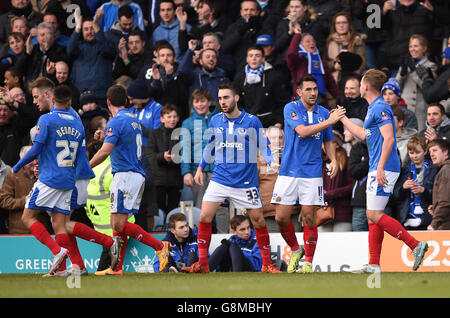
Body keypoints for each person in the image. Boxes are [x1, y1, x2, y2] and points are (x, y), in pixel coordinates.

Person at [181, 82, 282, 274]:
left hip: (245, 182)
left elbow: (264, 145)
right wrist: (201, 167)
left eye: (226, 97)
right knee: (204, 216)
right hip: (220, 178)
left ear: (236, 98)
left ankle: (267, 264)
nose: (222, 102)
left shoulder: (252, 121)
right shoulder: (215, 120)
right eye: (219, 98)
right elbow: (210, 146)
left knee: (258, 221)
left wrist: (271, 161)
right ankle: (203, 264)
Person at [339, 69, 429, 273]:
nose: (359, 87)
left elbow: (389, 138)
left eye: (360, 83)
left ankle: (415, 245)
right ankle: (374, 264)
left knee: (373, 213)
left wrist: (379, 167)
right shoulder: (373, 108)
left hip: (384, 166)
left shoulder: (381, 107)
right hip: (379, 166)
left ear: (366, 86)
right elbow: (364, 135)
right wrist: (343, 119)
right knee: (373, 216)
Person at [88, 84, 171, 272]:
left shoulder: (115, 122)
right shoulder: (133, 120)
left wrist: (85, 167)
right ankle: (116, 268)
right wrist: (104, 138)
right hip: (134, 174)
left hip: (125, 175)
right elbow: (123, 145)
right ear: (126, 101)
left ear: (108, 102)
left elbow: (105, 152)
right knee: (119, 224)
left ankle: (160, 246)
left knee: (118, 223)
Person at [11, 84, 88, 276]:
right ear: (70, 102)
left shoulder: (46, 119)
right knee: (58, 223)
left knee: (27, 217)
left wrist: (18, 166)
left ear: (53, 99)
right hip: (68, 180)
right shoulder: (78, 123)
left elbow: (36, 149)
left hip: (50, 178)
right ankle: (62, 269)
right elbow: (81, 155)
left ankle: (57, 251)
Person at [272, 74, 345, 274]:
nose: (313, 93)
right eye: (309, 90)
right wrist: (330, 120)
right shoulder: (291, 108)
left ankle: (309, 263)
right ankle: (296, 249)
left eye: (315, 89)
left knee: (309, 218)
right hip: (289, 171)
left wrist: (333, 159)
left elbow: (328, 140)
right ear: (299, 92)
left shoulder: (323, 112)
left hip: (312, 172)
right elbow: (303, 131)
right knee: (281, 217)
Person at [67, 8, 116, 104]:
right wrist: (77, 27)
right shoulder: (78, 47)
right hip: (81, 95)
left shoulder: (104, 43)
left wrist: (96, 25)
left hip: (102, 95)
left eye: (92, 28)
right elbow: (70, 50)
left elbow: (110, 51)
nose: (89, 31)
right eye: (86, 29)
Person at [257, 125, 300, 232]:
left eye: (280, 137)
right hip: (268, 215)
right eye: (273, 138)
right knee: (271, 247)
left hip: (291, 213)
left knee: (293, 247)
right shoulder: (258, 161)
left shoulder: (294, 159)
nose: (277, 141)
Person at [0, 146, 51, 234]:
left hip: (41, 230)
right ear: (22, 160)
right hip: (17, 231)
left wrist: (39, 202)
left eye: (37, 158)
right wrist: (25, 200)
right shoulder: (12, 176)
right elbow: (4, 201)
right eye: (31, 159)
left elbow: (52, 201)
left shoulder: (46, 176)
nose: (35, 162)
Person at [233, 45, 286, 128]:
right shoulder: (240, 77)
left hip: (270, 124)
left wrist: (278, 123)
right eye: (251, 56)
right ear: (247, 59)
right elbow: (237, 104)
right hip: (246, 124)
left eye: (257, 56)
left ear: (263, 59)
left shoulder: (273, 76)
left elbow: (281, 103)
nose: (254, 58)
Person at [395, 34, 438, 132]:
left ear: (424, 48)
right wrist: (402, 73)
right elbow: (396, 86)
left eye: (416, 46)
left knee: (420, 138)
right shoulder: (406, 63)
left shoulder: (431, 66)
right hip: (405, 108)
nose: (412, 49)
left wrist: (413, 71)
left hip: (421, 110)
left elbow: (427, 87)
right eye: (410, 46)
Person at [286, 31, 339, 108]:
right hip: (301, 104)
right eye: (307, 41)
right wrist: (297, 35)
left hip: (321, 103)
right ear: (300, 45)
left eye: (313, 41)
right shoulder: (298, 60)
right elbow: (290, 54)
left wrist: (340, 98)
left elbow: (331, 84)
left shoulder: (321, 62)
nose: (312, 43)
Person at [147, 104, 182, 215]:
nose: (172, 119)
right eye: (169, 116)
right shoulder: (154, 134)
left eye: (174, 116)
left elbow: (185, 152)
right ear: (162, 119)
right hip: (159, 179)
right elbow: (150, 154)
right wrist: (162, 157)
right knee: (159, 208)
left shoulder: (182, 133)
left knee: (173, 210)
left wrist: (178, 158)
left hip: (175, 179)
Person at [393, 136, 435, 230]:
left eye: (418, 152)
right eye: (411, 153)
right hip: (406, 219)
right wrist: (403, 187)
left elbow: (439, 195)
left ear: (425, 152)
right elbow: (395, 196)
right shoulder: (404, 170)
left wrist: (424, 191)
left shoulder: (433, 169)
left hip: (426, 220)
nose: (414, 156)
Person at [319, 130, 353, 232]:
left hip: (342, 212)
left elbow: (351, 186)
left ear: (337, 144)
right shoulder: (318, 162)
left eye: (327, 142)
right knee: (323, 245)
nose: (324, 145)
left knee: (342, 245)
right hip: (322, 212)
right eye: (323, 143)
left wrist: (330, 194)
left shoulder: (347, 161)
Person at [326, 11, 366, 82]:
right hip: (334, 76)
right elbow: (325, 63)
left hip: (353, 76)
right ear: (334, 25)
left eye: (344, 22)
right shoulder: (330, 41)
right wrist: (335, 63)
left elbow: (362, 62)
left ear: (349, 24)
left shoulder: (357, 40)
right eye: (338, 23)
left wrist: (347, 59)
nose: (341, 25)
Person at [346, 118, 370, 231]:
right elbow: (353, 172)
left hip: (381, 202)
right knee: (359, 240)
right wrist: (370, 160)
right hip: (359, 202)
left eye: (348, 129)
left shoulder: (385, 146)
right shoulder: (356, 149)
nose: (345, 132)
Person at [428, 139, 450, 230]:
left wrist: (434, 224)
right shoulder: (444, 169)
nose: (431, 154)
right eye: (430, 152)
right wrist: (436, 207)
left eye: (435, 150)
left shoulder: (446, 169)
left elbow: (446, 201)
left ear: (445, 152)